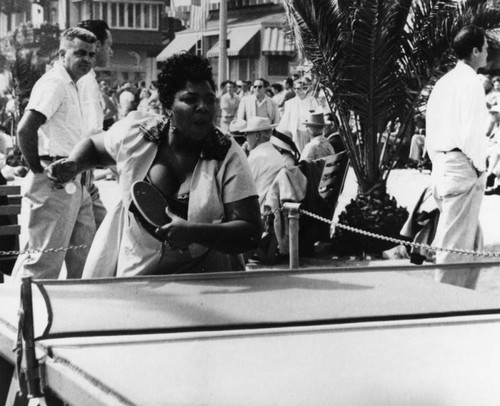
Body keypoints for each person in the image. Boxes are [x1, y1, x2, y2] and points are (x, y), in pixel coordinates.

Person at [46, 53, 261, 277]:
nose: (203, 107)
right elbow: (93, 146)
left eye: (209, 99)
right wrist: (74, 163)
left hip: (203, 279)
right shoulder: (136, 135)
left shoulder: (227, 154)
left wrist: (195, 233)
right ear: (168, 105)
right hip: (138, 274)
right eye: (190, 99)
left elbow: (251, 231)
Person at [11, 27, 98, 281]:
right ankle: (22, 318)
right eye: (80, 53)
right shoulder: (56, 83)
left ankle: (75, 317)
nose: (87, 59)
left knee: (84, 260)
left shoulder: (74, 85)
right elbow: (25, 129)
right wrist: (39, 171)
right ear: (62, 53)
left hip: (76, 179)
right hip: (55, 180)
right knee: (42, 263)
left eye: (92, 54)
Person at [425, 24, 490, 289]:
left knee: (472, 241)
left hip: (442, 165)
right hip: (461, 168)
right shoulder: (470, 83)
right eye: (485, 48)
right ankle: (445, 306)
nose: (487, 53)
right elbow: (471, 135)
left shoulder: (444, 82)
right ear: (475, 51)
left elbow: (430, 129)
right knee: (454, 250)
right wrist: (479, 169)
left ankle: (465, 299)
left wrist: (439, 163)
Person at [77, 19, 114, 228]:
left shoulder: (80, 78)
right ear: (97, 45)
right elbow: (93, 132)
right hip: (79, 171)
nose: (111, 52)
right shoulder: (87, 81)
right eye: (109, 45)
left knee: (100, 238)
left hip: (83, 173)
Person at [240, 116, 286, 212]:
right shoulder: (276, 153)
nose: (246, 139)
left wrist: (242, 157)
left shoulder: (256, 156)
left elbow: (242, 188)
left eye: (246, 134)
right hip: (275, 208)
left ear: (257, 136)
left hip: (260, 211)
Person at [276, 78, 319, 152]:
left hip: (310, 133)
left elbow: (317, 116)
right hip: (296, 132)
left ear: (305, 89)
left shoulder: (312, 101)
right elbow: (285, 120)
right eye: (295, 88)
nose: (296, 90)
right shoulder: (290, 103)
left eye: (299, 88)